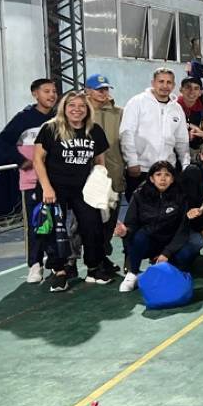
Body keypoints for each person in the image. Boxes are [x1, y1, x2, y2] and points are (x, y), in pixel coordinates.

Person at [33, 91, 112, 291]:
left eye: (81, 106)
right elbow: (38, 159)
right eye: (72, 105)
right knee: (55, 230)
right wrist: (46, 187)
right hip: (54, 187)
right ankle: (59, 271)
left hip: (84, 189)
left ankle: (93, 268)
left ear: (87, 109)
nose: (77, 109)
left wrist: (100, 183)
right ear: (64, 108)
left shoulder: (94, 130)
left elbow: (100, 160)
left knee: (92, 226)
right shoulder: (50, 128)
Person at [0, 77, 58, 284]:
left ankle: (56, 262)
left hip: (57, 181)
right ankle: (35, 264)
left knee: (57, 222)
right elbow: (2, 142)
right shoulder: (23, 118)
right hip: (32, 182)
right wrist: (20, 160)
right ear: (35, 94)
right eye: (46, 91)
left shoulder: (60, 117)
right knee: (36, 222)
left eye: (54, 91)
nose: (51, 95)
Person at [115, 161, 200, 293]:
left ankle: (170, 266)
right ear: (151, 178)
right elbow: (131, 224)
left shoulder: (181, 196)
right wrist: (125, 232)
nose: (163, 178)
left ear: (172, 179)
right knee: (138, 236)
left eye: (167, 175)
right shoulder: (139, 194)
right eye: (158, 174)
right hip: (150, 240)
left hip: (172, 242)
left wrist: (167, 253)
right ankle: (132, 273)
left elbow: (183, 229)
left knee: (187, 253)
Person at [119, 68, 191, 199]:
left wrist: (185, 165)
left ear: (174, 85)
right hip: (140, 170)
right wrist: (132, 162)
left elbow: (182, 141)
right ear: (153, 83)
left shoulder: (177, 108)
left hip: (168, 171)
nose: (165, 86)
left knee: (167, 209)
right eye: (161, 81)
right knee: (139, 209)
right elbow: (126, 133)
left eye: (169, 82)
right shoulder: (137, 102)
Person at [85, 75, 125, 276]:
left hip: (114, 175)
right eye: (98, 89)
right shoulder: (80, 112)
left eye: (106, 89)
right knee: (86, 223)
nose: (103, 93)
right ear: (87, 91)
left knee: (109, 222)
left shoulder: (119, 113)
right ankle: (76, 262)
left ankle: (102, 257)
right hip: (88, 178)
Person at [177, 76, 203, 153]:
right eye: (188, 87)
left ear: (200, 92)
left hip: (193, 151)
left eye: (196, 88)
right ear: (181, 90)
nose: (192, 91)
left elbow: (201, 141)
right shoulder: (172, 107)